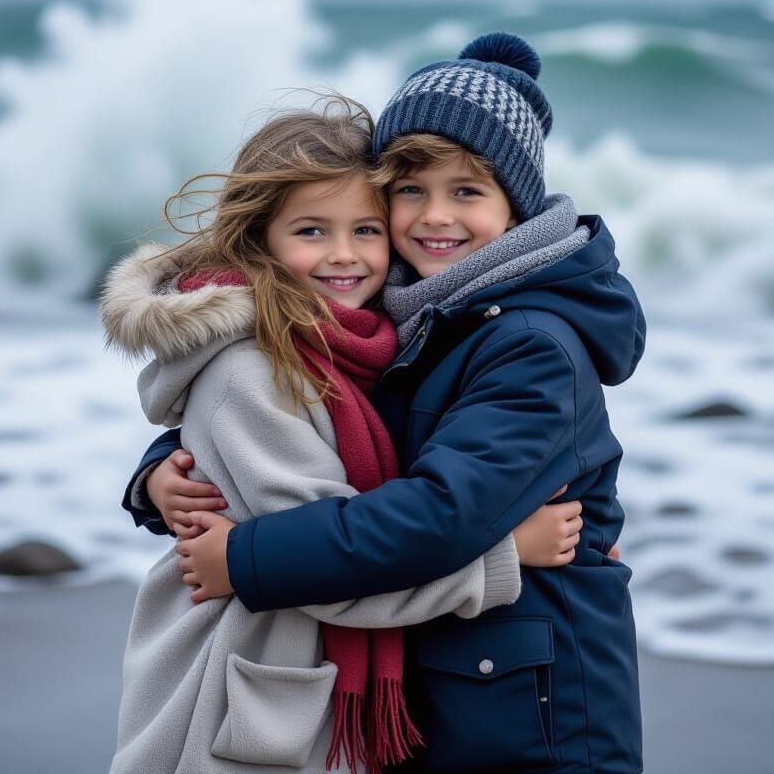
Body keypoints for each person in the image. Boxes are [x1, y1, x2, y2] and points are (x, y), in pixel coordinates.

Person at [101, 94, 586, 774]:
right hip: (230, 703)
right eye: (311, 231)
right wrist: (503, 558)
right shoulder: (255, 372)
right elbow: (327, 573)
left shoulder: (364, 345)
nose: (343, 255)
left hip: (285, 692)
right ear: (260, 239)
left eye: (365, 229)